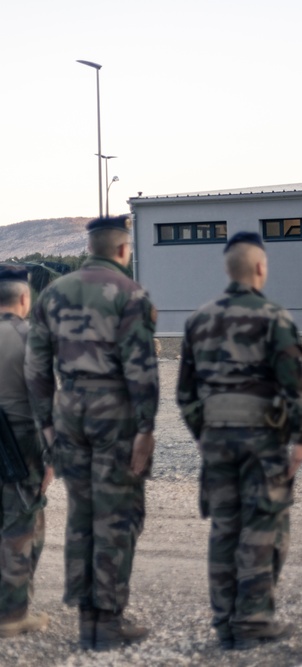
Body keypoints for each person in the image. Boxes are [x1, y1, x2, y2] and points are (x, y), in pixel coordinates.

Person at [24, 215, 159, 651]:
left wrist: (46, 422)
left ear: (89, 247)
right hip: (113, 413)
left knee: (82, 515)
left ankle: (87, 619)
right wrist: (145, 428)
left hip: (69, 411)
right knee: (117, 515)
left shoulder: (53, 293)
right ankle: (108, 622)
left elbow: (36, 367)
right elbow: (141, 368)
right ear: (122, 250)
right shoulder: (130, 294)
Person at [177, 231, 302, 650]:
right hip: (262, 441)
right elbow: (295, 388)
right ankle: (253, 620)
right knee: (262, 526)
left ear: (227, 267)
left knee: (224, 528)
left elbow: (185, 392)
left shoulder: (198, 319)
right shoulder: (274, 317)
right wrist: (300, 439)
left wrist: (206, 432)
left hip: (217, 438)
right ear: (259, 267)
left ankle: (225, 623)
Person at [0, 265, 54, 638]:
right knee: (22, 527)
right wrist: (51, 459)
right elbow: (46, 405)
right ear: (24, 299)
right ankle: (12, 614)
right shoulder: (31, 337)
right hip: (19, 448)